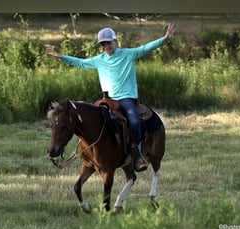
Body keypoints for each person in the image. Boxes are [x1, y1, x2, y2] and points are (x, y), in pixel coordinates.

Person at [46, 23, 176, 172]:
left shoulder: (129, 54)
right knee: (91, 121)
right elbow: (81, 63)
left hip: (127, 99)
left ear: (116, 42)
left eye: (108, 42)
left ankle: (138, 154)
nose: (106, 46)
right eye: (103, 44)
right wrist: (62, 57)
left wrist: (165, 39)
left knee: (134, 121)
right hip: (107, 100)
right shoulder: (99, 59)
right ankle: (94, 152)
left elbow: (146, 48)